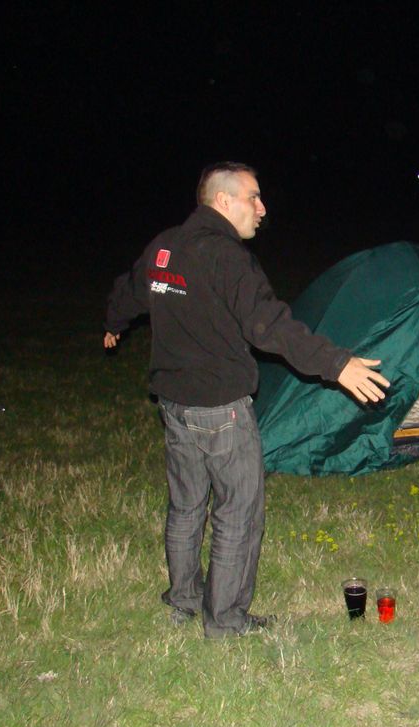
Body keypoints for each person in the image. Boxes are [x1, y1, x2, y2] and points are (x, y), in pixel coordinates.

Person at [103, 162, 390, 638]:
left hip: (173, 403)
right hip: (220, 407)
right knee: (238, 512)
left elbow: (131, 290)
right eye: (253, 197)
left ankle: (184, 599)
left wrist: (114, 322)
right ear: (223, 201)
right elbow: (268, 325)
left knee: (186, 506)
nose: (262, 208)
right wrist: (336, 363)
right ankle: (226, 620)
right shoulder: (226, 257)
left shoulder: (165, 246)